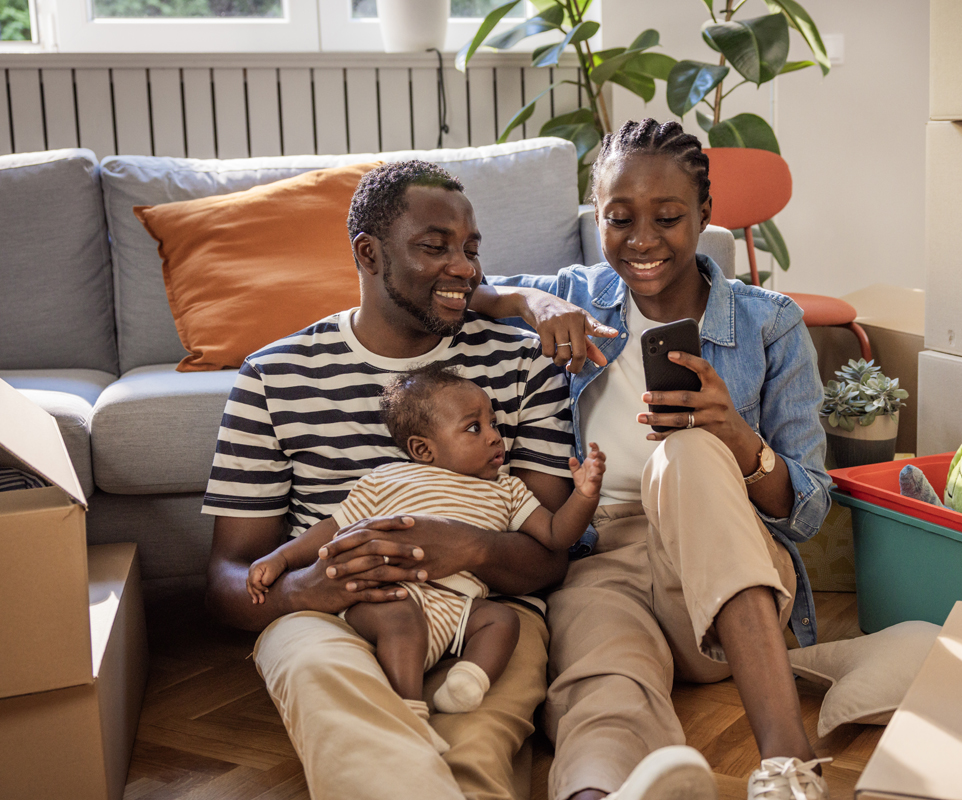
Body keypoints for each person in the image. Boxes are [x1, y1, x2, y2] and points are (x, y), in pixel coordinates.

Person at [472, 118, 834, 800]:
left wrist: (739, 440)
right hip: (601, 559)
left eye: (667, 217)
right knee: (601, 687)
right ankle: (600, 793)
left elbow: (810, 508)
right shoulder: (576, 295)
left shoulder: (770, 322)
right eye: (619, 218)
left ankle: (790, 766)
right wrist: (531, 299)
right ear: (596, 218)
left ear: (704, 216)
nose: (641, 240)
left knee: (690, 450)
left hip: (727, 590)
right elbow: (465, 292)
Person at [202, 159, 578, 800]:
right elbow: (229, 577)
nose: (464, 267)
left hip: (482, 616)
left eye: (471, 248)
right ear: (369, 254)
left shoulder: (521, 362)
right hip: (329, 618)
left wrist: (466, 547)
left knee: (472, 752)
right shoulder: (274, 377)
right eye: (435, 247)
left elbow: (549, 558)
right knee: (361, 733)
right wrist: (306, 590)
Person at [244, 364, 606, 738]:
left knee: (503, 621)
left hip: (460, 605)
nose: (495, 438)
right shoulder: (388, 479)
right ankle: (408, 709)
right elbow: (332, 527)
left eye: (493, 424)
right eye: (473, 428)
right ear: (422, 449)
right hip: (390, 595)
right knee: (402, 622)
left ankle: (468, 681)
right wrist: (282, 557)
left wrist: (584, 496)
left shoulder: (508, 490)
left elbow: (555, 535)